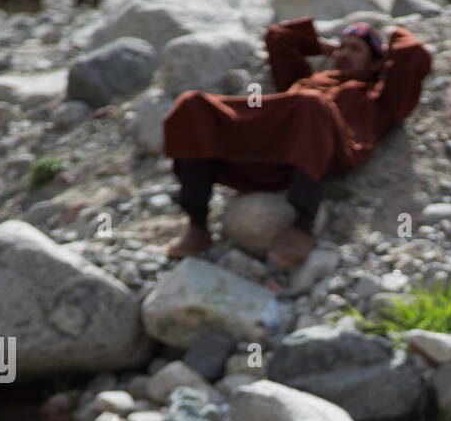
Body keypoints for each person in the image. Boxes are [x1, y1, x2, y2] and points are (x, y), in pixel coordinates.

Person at [162, 18, 432, 267]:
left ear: (376, 62)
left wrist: (389, 43)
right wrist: (326, 48)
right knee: (192, 104)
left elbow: (413, 55)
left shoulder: (379, 99)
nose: (343, 54)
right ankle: (197, 225)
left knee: (311, 103)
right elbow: (278, 37)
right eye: (341, 48)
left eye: (355, 49)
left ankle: (303, 224)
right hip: (269, 153)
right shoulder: (305, 81)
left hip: (326, 156)